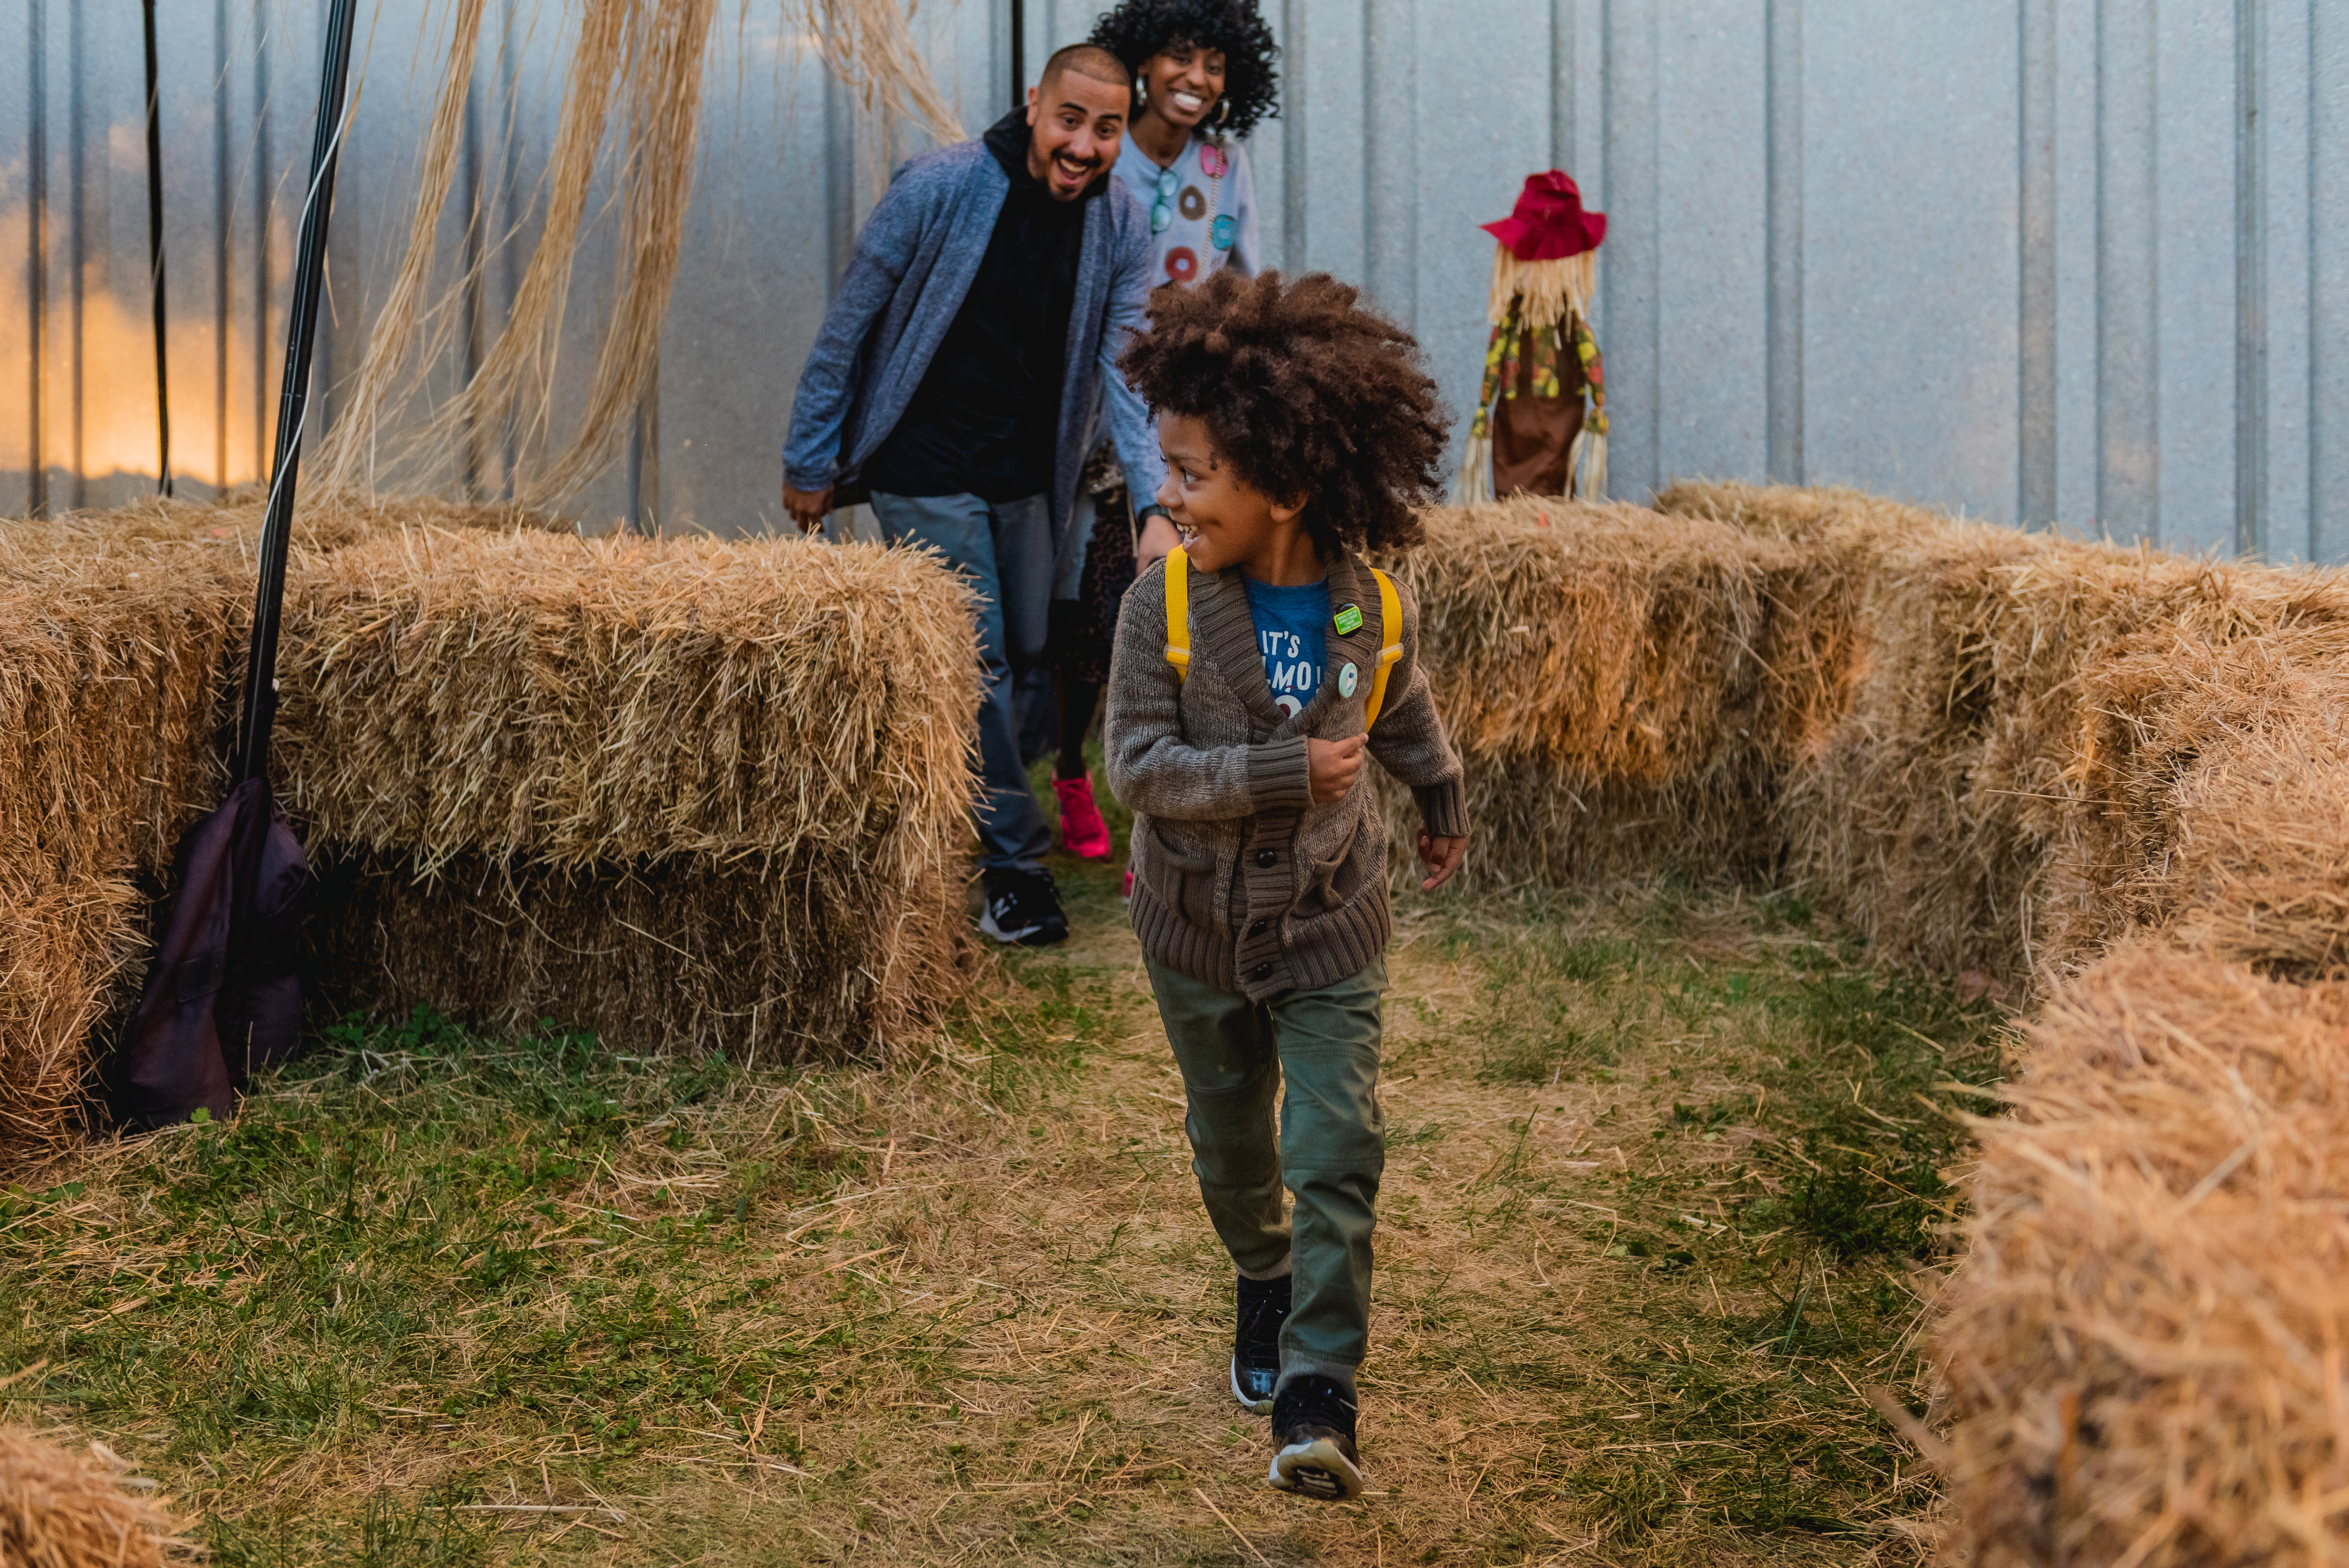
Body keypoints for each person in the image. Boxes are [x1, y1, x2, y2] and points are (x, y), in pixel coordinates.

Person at [1105, 269, 1470, 1501]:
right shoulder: (1156, 604)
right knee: (1230, 1150)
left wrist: (1439, 798)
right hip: (1194, 930)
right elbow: (1139, 769)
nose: (1168, 492)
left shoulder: (1367, 605)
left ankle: (1319, 1386)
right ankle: (1262, 1274)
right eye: (1168, 464)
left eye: (1194, 473)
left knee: (1339, 1142)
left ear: (1288, 488)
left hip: (1330, 929)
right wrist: (1277, 770)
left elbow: (1402, 705)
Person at [780, 43, 1166, 948]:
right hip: (925, 461)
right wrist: (810, 458)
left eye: (1106, 130)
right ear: (1034, 104)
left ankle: (957, 820)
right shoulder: (938, 186)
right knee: (982, 656)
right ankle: (1014, 874)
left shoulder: (1121, 225)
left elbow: (1126, 374)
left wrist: (1156, 506)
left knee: (1030, 655)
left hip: (1032, 472)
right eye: (1069, 120)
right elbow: (850, 327)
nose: (1083, 145)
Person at [1036, 0, 1279, 873]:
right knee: (1090, 615)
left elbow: (1246, 276)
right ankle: (1070, 769)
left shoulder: (1224, 162)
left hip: (1191, 413)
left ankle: (1162, 813)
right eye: (1179, 56)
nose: (1196, 78)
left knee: (1187, 610)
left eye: (1214, 63)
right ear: (1143, 61)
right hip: (1103, 417)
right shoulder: (1104, 152)